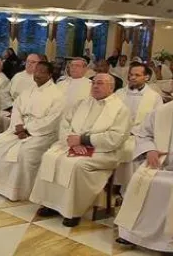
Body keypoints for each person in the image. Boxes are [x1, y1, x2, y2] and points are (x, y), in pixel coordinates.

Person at [30, 73, 131, 227]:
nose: (95, 86)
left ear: (111, 87)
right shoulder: (82, 103)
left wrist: (84, 140)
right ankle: (51, 204)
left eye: (100, 83)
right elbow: (65, 123)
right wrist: (72, 141)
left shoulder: (120, 109)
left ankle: (72, 211)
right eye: (94, 83)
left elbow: (116, 137)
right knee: (50, 157)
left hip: (103, 152)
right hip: (73, 146)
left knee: (76, 166)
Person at [0, 62, 64, 201]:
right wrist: (18, 125)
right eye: (36, 71)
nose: (37, 74)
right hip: (20, 127)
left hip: (43, 134)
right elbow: (17, 107)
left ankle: (20, 191)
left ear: (49, 74)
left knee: (23, 153)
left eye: (42, 72)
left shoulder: (57, 94)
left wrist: (28, 129)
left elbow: (52, 120)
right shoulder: (29, 89)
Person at [114, 102, 173, 256]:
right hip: (161, 165)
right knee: (141, 180)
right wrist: (150, 150)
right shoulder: (161, 112)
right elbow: (144, 134)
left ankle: (169, 243)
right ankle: (132, 234)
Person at [114, 62, 162, 188]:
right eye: (130, 75)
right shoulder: (119, 93)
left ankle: (128, 189)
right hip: (117, 133)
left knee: (132, 151)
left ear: (146, 77)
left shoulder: (154, 97)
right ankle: (111, 186)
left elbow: (157, 122)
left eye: (137, 75)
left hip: (140, 136)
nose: (132, 77)